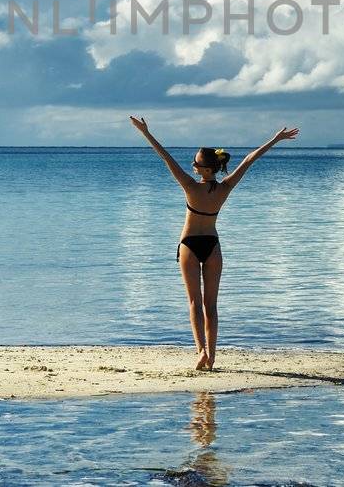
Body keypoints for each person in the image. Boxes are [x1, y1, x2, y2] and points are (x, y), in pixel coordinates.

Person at [128, 115, 300, 370]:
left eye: (196, 163)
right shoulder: (225, 188)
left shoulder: (189, 186)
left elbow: (165, 157)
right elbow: (250, 159)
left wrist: (145, 132)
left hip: (189, 243)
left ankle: (201, 352)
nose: (192, 166)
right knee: (211, 306)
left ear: (207, 169)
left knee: (195, 304)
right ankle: (212, 356)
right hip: (212, 245)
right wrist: (276, 138)